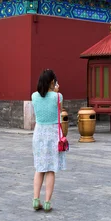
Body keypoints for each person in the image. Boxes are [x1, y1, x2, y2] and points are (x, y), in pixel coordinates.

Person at [31, 69, 66, 212]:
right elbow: (60, 112)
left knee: (39, 168)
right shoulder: (58, 97)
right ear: (52, 82)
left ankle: (35, 199)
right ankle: (47, 203)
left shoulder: (34, 96)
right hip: (52, 134)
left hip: (39, 133)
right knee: (51, 169)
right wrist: (56, 92)